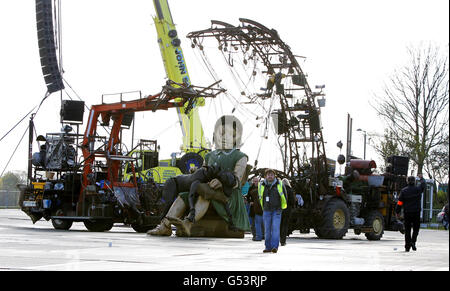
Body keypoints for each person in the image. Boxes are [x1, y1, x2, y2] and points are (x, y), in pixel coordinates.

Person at [148, 115, 250, 237]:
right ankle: (165, 225)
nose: (223, 138)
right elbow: (204, 172)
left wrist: (222, 182)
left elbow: (237, 180)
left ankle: (189, 223)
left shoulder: (240, 157)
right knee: (183, 196)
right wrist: (196, 172)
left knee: (204, 194)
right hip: (208, 190)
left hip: (228, 196)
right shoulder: (210, 156)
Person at [395, 174, 426, 252]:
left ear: (407, 181)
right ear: (414, 181)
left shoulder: (404, 191)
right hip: (416, 212)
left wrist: (397, 211)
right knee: (416, 229)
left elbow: (399, 202)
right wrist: (421, 178)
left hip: (407, 212)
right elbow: (423, 185)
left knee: (407, 230)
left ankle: (407, 246)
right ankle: (413, 241)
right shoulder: (418, 189)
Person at [259, 168, 287, 253]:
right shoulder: (262, 185)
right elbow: (260, 196)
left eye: (271, 175)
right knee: (267, 230)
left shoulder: (279, 184)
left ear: (274, 176)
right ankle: (268, 247)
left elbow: (285, 196)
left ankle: (275, 247)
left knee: (275, 229)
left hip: (277, 210)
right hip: (267, 210)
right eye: (268, 175)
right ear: (265, 176)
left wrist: (282, 207)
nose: (270, 176)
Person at [247, 176, 264, 241]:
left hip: (260, 207)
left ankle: (262, 235)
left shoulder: (261, 188)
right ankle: (254, 235)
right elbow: (248, 196)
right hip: (253, 207)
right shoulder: (251, 188)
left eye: (256, 181)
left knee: (261, 222)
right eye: (254, 181)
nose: (255, 182)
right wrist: (250, 201)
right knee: (253, 222)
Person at [280, 178, 295, 246]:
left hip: (280, 209)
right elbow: (292, 201)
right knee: (285, 225)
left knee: (279, 224)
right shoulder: (290, 190)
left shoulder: (280, 189)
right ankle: (283, 241)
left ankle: (279, 238)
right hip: (288, 209)